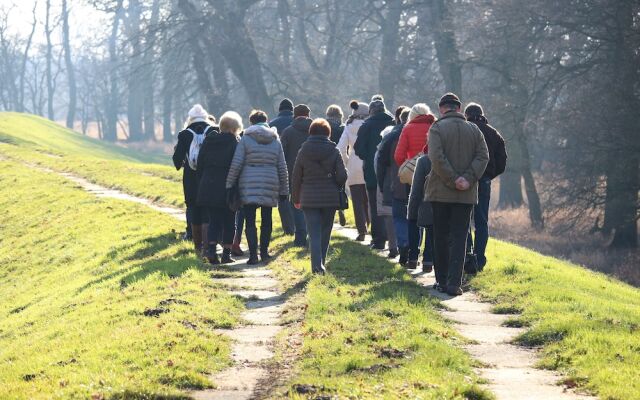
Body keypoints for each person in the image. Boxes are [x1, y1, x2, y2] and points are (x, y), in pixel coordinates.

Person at [427, 93, 489, 296]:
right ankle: (455, 283)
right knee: (460, 236)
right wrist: (467, 179)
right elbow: (483, 156)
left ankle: (442, 280)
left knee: (441, 236)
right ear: (459, 108)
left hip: (440, 192)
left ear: (441, 109)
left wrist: (452, 179)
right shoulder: (474, 130)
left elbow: (436, 157)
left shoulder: (436, 128)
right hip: (466, 194)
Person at [226, 110, 289, 265]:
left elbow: (237, 163)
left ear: (252, 122)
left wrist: (229, 184)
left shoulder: (245, 138)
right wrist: (284, 190)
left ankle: (253, 255)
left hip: (248, 183)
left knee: (250, 220)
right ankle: (265, 253)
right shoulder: (275, 140)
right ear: (266, 121)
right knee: (266, 219)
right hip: (270, 181)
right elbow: (282, 167)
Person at [291, 118, 348, 274]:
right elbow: (342, 176)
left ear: (311, 132)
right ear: (328, 133)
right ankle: (321, 263)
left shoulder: (303, 150)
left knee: (313, 232)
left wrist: (295, 198)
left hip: (309, 198)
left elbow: (296, 177)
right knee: (325, 232)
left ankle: (317, 266)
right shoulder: (334, 150)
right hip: (330, 198)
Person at [464, 103, 507, 270]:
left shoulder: (465, 131)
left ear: (467, 115)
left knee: (464, 218)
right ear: (482, 114)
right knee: (481, 221)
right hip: (485, 180)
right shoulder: (493, 133)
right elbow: (502, 161)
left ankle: (467, 256)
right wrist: (489, 175)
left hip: (465, 179)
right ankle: (479, 259)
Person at [196, 111, 242, 265]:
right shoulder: (235, 143)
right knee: (229, 221)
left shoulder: (209, 141)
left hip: (208, 186)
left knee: (213, 220)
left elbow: (200, 164)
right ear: (234, 128)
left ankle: (211, 250)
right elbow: (237, 166)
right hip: (227, 187)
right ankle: (226, 254)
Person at [172, 104, 217, 256]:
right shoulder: (213, 131)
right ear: (205, 117)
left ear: (190, 118)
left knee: (194, 210)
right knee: (208, 211)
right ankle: (208, 247)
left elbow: (177, 161)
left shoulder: (184, 134)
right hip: (209, 177)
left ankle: (197, 248)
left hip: (191, 179)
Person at [395, 103, 436, 268]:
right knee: (432, 216)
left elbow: (398, 156)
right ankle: (428, 258)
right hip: (434, 175)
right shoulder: (435, 125)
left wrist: (409, 163)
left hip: (413, 177)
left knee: (413, 215)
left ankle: (413, 256)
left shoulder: (408, 128)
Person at [354, 96, 394, 250]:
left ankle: (378, 240)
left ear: (371, 111)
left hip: (372, 169)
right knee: (391, 203)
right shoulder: (393, 122)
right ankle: (394, 240)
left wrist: (368, 157)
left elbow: (358, 148)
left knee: (375, 204)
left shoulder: (366, 125)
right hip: (391, 170)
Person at [376, 106, 410, 261]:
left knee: (396, 216)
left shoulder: (390, 136)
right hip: (420, 183)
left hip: (395, 181)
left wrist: (381, 182)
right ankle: (414, 251)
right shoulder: (428, 132)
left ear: (399, 119)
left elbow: (381, 161)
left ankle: (398, 246)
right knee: (415, 217)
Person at [337, 101, 370, 241]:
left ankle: (361, 231)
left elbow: (340, 148)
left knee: (357, 200)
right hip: (368, 164)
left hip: (354, 165)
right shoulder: (369, 126)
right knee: (369, 199)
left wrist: (347, 161)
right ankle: (372, 226)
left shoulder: (348, 127)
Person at [281, 104, 312, 247]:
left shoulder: (288, 132)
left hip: (294, 174)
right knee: (312, 204)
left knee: (297, 204)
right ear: (308, 114)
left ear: (294, 115)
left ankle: (300, 238)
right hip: (314, 174)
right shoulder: (316, 130)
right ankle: (314, 235)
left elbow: (282, 155)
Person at [270, 98, 296, 236]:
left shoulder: (272, 125)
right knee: (298, 195)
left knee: (283, 197)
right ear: (292, 109)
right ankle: (301, 225)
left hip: (279, 165)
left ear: (279, 110)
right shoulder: (298, 122)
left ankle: (288, 228)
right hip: (298, 164)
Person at [408, 149, 436, 278]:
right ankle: (429, 262)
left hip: (426, 205)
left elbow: (416, 190)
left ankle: (415, 259)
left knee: (429, 228)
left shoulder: (424, 160)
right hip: (447, 207)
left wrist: (411, 212)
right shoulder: (455, 158)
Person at [326, 104, 347, 227]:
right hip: (340, 158)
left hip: (327, 158)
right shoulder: (343, 127)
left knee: (328, 183)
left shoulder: (324, 126)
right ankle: (341, 208)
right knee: (340, 183)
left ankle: (330, 208)